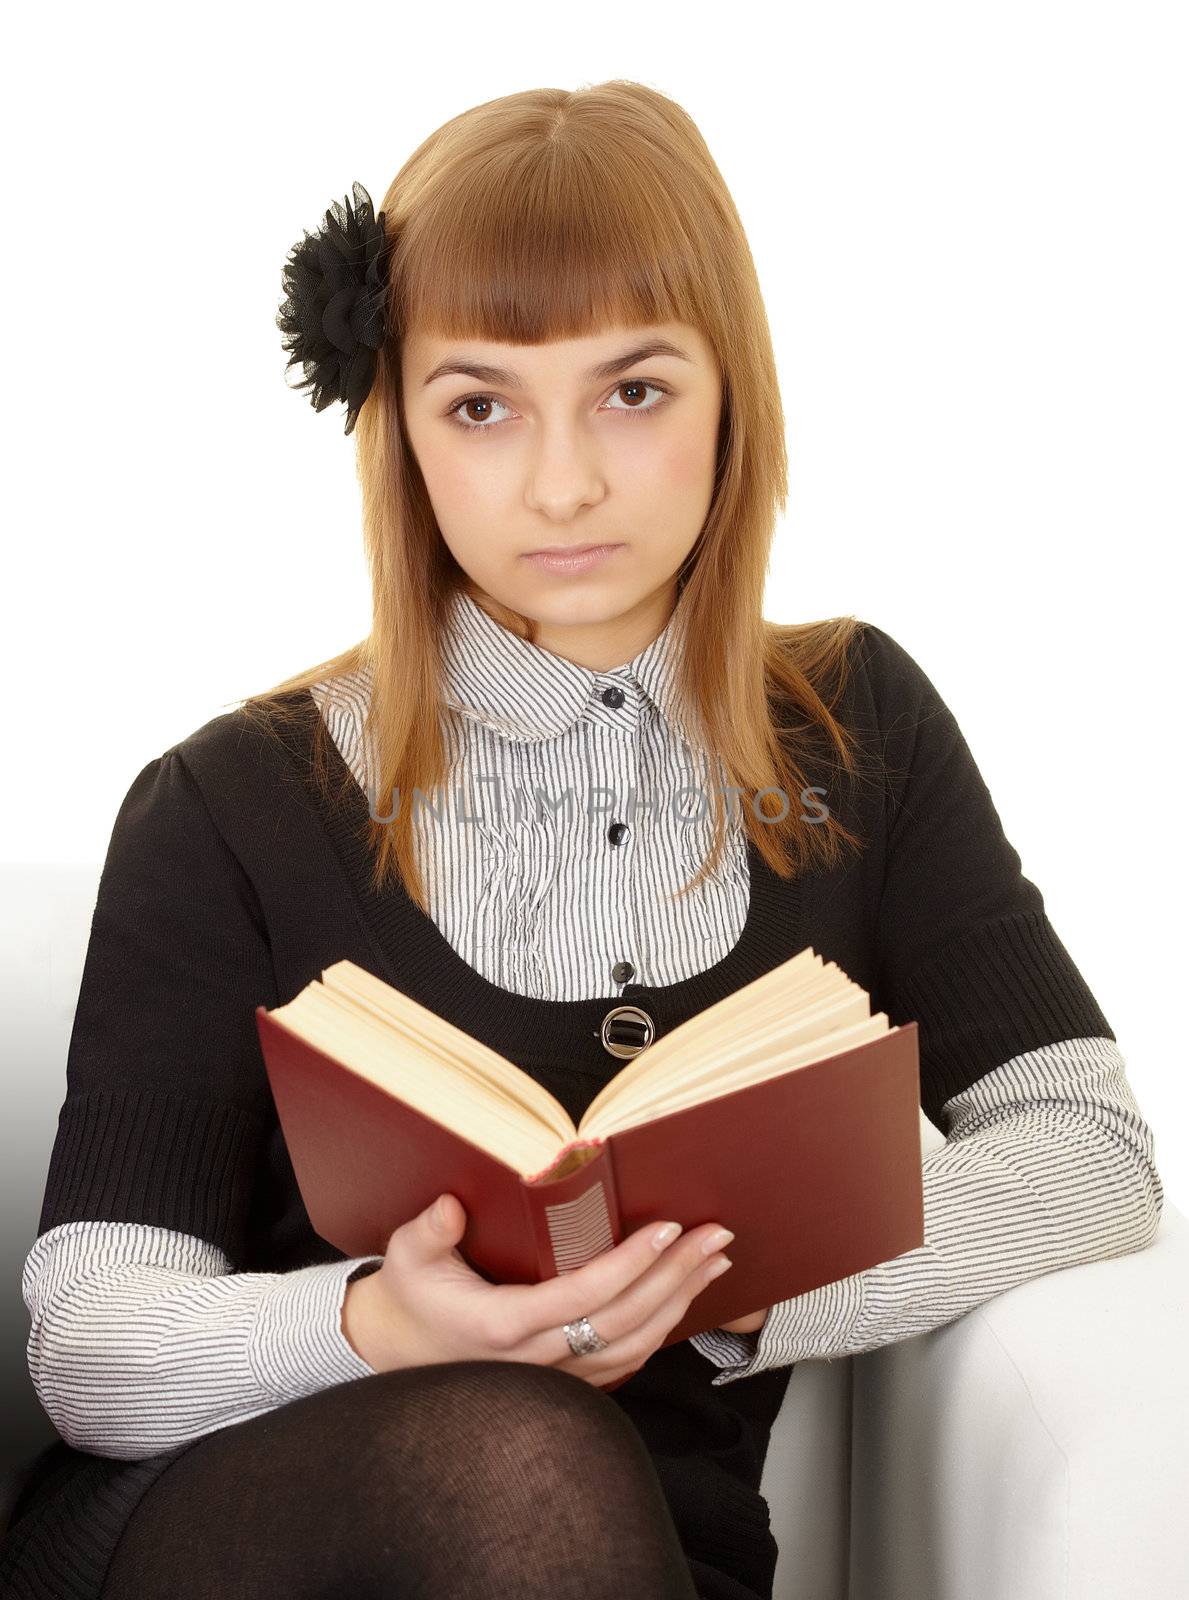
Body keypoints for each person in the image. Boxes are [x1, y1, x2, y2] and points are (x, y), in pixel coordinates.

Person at [0, 79, 1163, 1600]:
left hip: (640, 1547)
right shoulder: (229, 799)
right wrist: (375, 1326)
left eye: (634, 390)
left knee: (550, 1483)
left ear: (730, 391)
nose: (562, 482)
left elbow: (1092, 1156)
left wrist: (735, 1292)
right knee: (510, 1451)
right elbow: (92, 1340)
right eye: (480, 404)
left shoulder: (856, 729)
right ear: (401, 433)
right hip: (245, 1526)